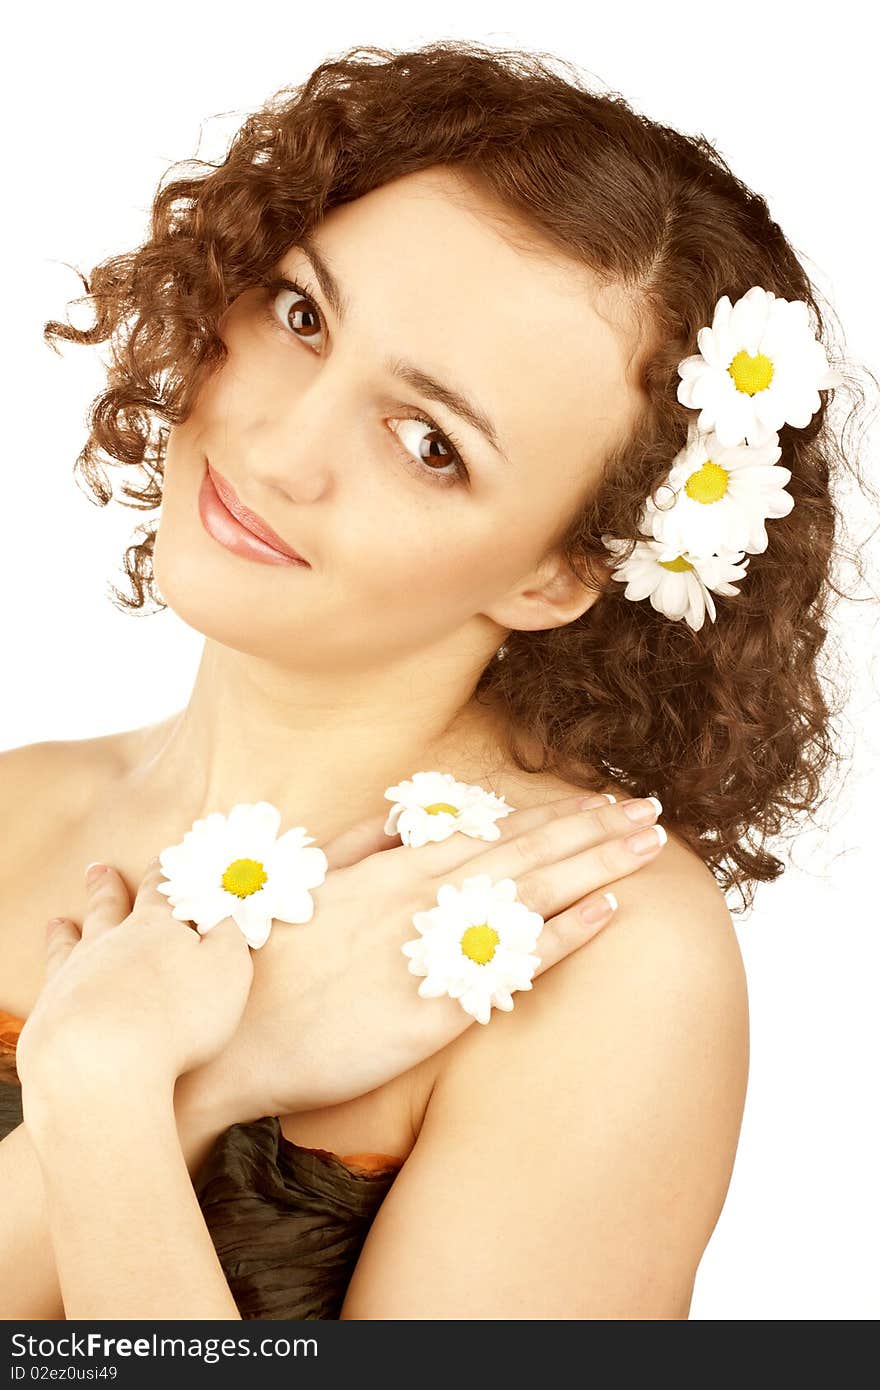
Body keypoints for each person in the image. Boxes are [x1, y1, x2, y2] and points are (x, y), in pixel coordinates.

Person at [0, 38, 865, 1320]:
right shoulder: (18, 808)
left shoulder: (599, 959)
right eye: (302, 315)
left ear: (561, 570)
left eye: (427, 442)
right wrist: (207, 1074)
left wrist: (123, 1093)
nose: (278, 445)